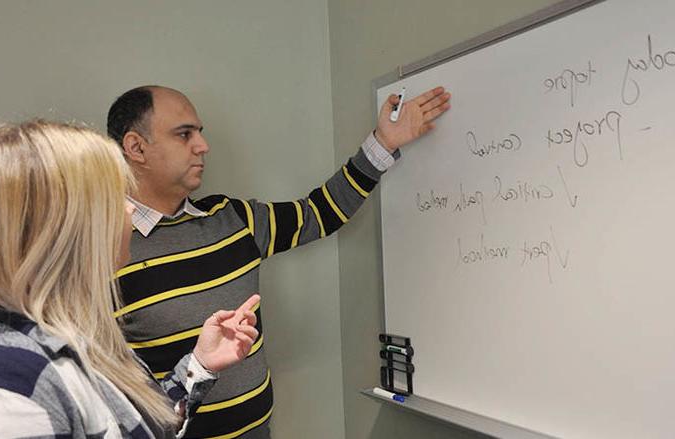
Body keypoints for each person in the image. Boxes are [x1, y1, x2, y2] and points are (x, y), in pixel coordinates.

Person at [106, 85, 451, 438]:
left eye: (200, 133)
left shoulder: (233, 218)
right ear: (136, 147)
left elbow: (320, 213)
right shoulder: (104, 252)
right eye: (184, 134)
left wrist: (384, 143)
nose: (202, 146)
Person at [0, 120, 260, 438]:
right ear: (65, 226)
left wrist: (200, 365)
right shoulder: (4, 400)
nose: (131, 211)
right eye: (116, 196)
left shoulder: (83, 338)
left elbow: (137, 427)